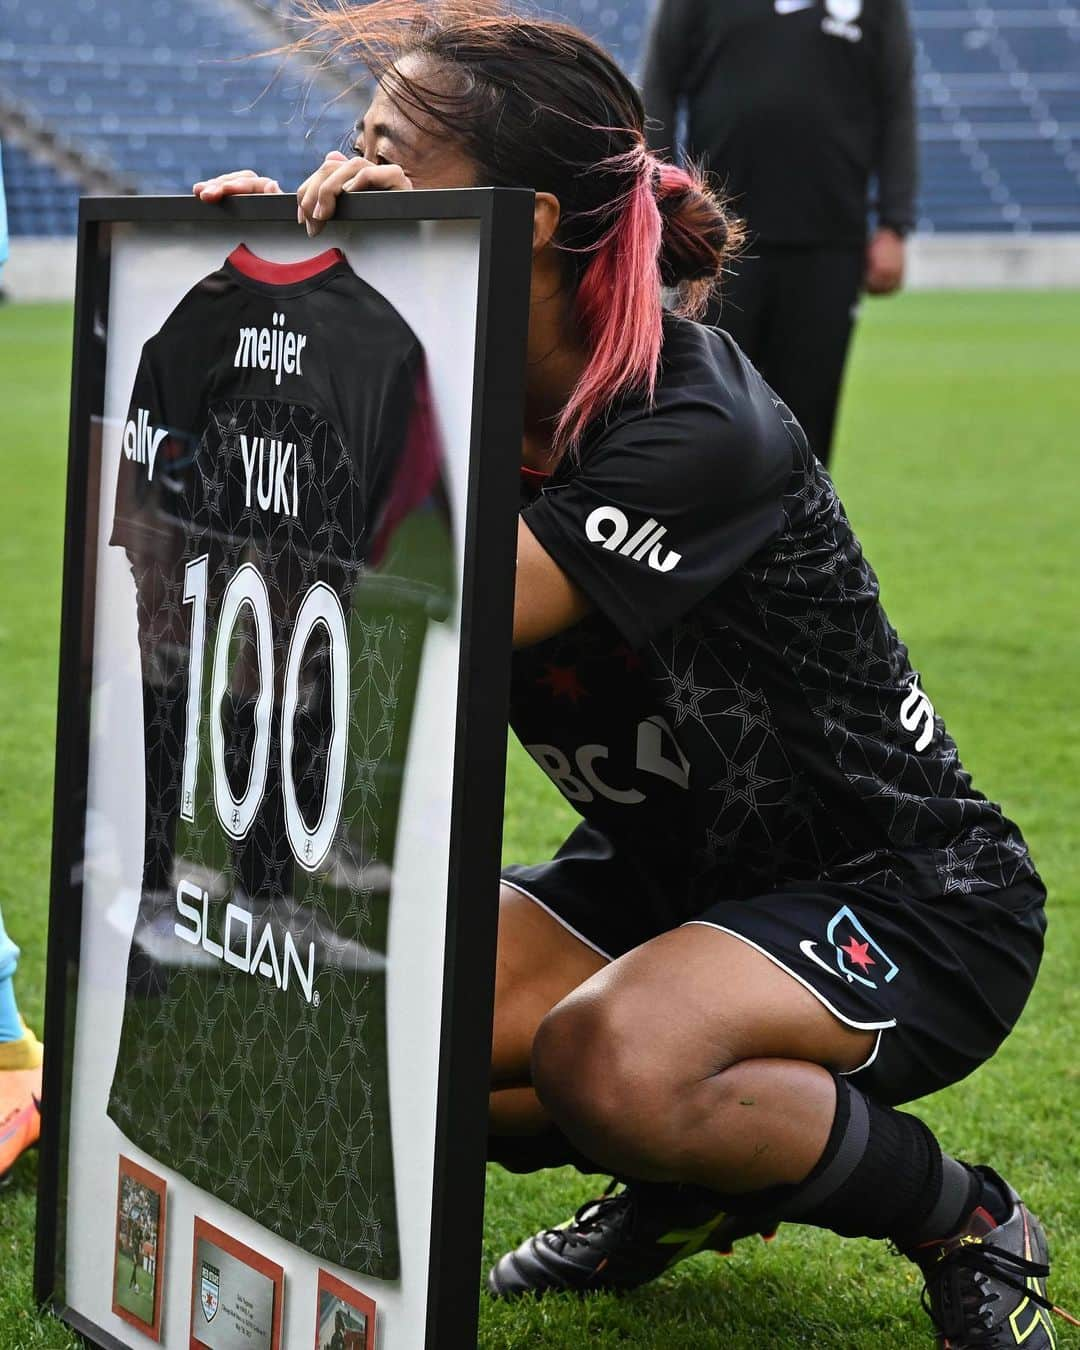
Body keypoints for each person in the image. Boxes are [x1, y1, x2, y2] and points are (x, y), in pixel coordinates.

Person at [194, 3, 1071, 1344]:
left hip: (910, 894)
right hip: (677, 882)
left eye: (387, 160)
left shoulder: (690, 416)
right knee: (383, 1026)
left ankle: (963, 1213)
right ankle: (692, 1173)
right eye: (348, 159)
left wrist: (312, 337)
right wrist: (248, 307)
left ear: (528, 219)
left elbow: (438, 607)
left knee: (608, 1059)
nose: (345, 189)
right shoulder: (467, 386)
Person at [642, 0, 918, 467]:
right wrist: (658, 201)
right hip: (717, 247)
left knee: (808, 420)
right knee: (709, 407)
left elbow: (895, 105)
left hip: (829, 241)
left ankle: (803, 538)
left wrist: (895, 222)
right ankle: (709, 533)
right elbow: (660, 90)